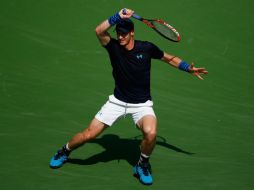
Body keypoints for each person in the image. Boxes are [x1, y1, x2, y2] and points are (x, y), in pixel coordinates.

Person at [49, 8, 208, 185]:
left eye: (124, 33)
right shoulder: (113, 47)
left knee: (151, 133)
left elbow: (169, 58)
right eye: (118, 33)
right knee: (89, 135)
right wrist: (117, 16)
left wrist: (187, 68)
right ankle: (64, 151)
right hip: (116, 102)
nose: (121, 37)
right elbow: (98, 31)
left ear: (132, 33)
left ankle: (142, 164)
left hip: (142, 105)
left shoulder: (146, 48)